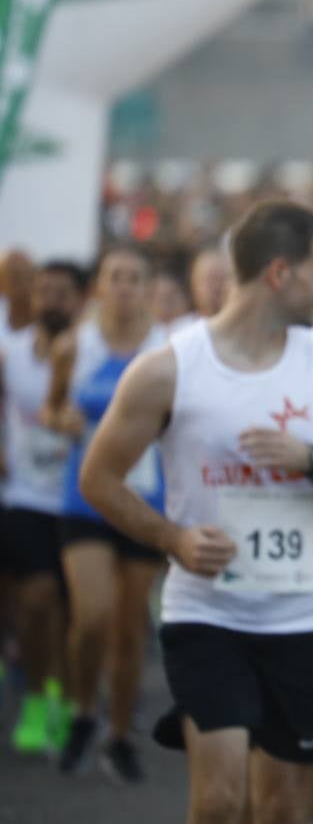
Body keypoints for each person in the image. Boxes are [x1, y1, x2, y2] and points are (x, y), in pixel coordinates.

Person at [78, 200, 313, 824]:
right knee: (219, 803)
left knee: (283, 813)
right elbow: (98, 478)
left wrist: (312, 461)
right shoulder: (169, 368)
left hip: (302, 613)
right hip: (207, 611)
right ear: (280, 273)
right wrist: (174, 539)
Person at [44, 244, 168, 781]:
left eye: (134, 278)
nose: (123, 286)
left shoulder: (169, 350)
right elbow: (52, 408)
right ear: (99, 287)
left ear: (148, 288)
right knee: (90, 615)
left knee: (127, 633)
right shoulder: (77, 346)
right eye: (114, 277)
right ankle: (82, 710)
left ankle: (118, 733)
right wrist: (63, 422)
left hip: (144, 504)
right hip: (85, 499)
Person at [0, 261, 85, 755]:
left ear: (78, 299)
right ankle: (37, 698)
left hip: (81, 497)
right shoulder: (11, 354)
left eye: (62, 293)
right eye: (43, 292)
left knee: (79, 613)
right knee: (36, 601)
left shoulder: (90, 353)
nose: (51, 301)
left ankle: (72, 701)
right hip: (27, 495)